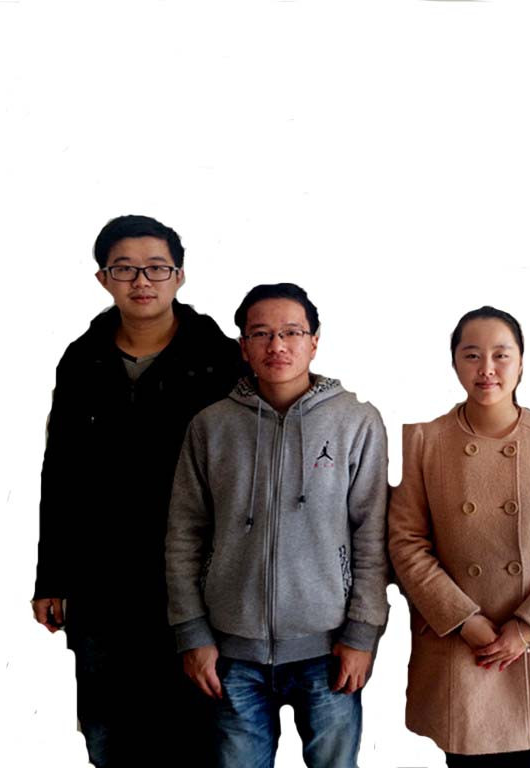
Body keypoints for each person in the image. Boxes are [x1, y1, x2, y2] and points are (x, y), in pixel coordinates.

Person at [31, 214, 243, 767]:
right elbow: (61, 470)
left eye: (156, 268)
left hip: (195, 576)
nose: (142, 281)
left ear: (180, 276)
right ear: (103, 278)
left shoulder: (218, 358)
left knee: (196, 730)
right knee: (110, 732)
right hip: (101, 578)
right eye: (124, 269)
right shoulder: (83, 359)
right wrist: (52, 576)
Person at [166, 282, 390, 768]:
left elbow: (372, 534)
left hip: (328, 650)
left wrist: (362, 634)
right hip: (231, 654)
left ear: (315, 341)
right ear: (243, 346)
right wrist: (193, 634)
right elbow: (184, 536)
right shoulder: (211, 426)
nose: (277, 346)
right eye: (261, 334)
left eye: (292, 332)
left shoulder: (356, 422)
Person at [388, 306, 530, 768]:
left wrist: (526, 626)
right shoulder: (426, 441)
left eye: (501, 355)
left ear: (521, 363)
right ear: (454, 363)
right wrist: (465, 620)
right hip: (459, 645)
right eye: (472, 355)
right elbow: (406, 542)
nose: (487, 369)